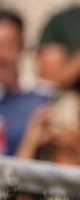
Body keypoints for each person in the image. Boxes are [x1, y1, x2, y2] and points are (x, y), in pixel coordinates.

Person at [0, 10, 49, 155]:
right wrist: (30, 141)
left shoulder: (41, 99)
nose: (1, 54)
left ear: (22, 46)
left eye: (8, 45)